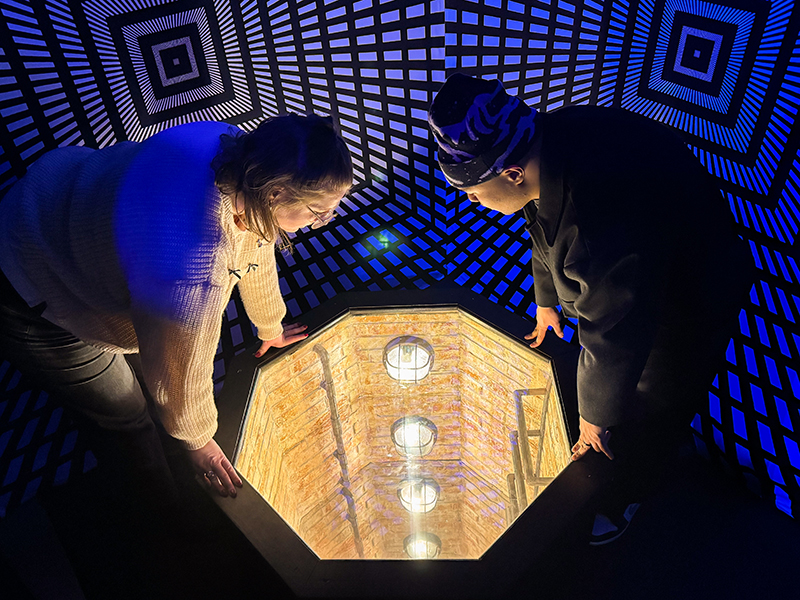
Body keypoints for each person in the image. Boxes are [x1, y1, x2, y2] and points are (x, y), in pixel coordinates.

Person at [428, 74, 753, 544]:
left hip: (689, 297)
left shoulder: (601, 209)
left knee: (653, 402)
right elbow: (541, 223)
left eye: (474, 193)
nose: (474, 202)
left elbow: (615, 330)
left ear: (512, 173)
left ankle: (628, 494)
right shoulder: (548, 138)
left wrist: (594, 418)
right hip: (638, 269)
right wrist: (546, 303)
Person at [0, 113, 352, 508]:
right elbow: (182, 370)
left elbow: (256, 241)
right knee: (126, 417)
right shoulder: (194, 268)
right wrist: (197, 440)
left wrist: (270, 325)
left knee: (150, 374)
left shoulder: (236, 149)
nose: (323, 221)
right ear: (274, 194)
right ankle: (162, 520)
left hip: (62, 192)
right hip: (33, 274)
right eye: (319, 212)